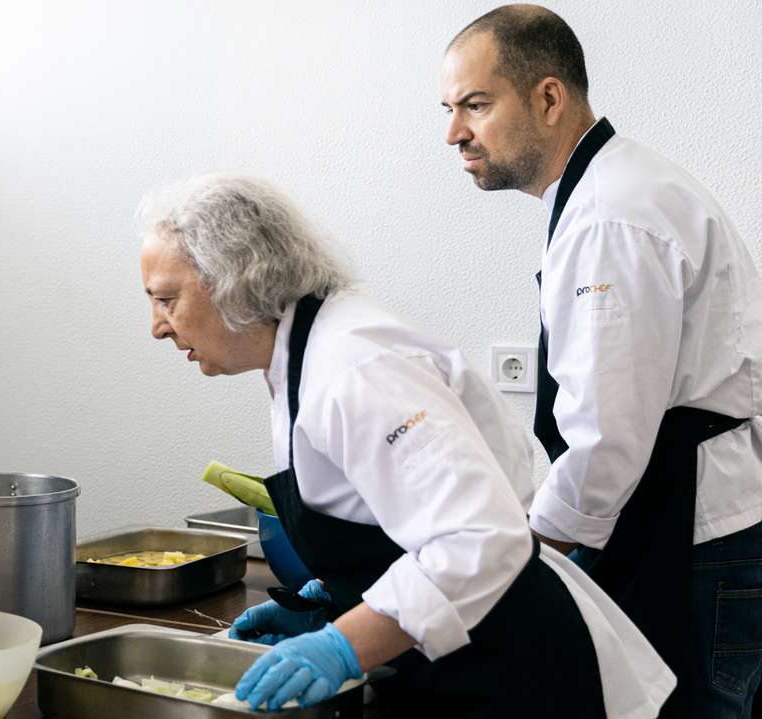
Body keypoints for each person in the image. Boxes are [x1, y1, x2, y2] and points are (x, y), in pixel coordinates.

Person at [139, 174, 674, 716]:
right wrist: (340, 606)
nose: (158, 327)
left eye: (166, 299)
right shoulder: (303, 356)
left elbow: (481, 537)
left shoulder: (353, 367)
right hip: (450, 662)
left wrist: (343, 645)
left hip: (513, 670)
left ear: (232, 278)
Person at [441, 6, 762, 716]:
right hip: (687, 525)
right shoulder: (604, 193)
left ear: (549, 98)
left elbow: (603, 442)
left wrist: (514, 558)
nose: (454, 132)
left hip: (696, 542)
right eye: (451, 108)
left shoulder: (611, 216)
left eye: (475, 105)